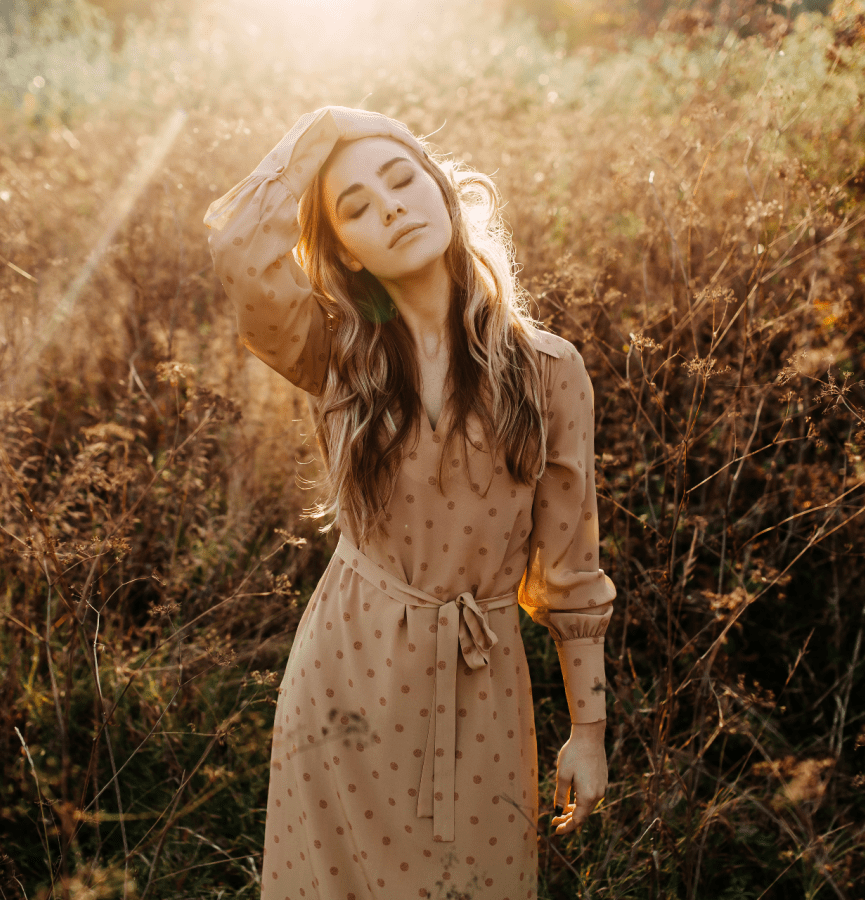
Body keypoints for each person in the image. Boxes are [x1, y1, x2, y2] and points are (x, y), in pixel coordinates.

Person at [204, 106, 616, 900]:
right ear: (345, 252)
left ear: (444, 191)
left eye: (402, 178)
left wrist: (589, 730)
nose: (388, 206)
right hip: (344, 674)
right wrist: (327, 127)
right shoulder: (334, 353)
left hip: (481, 688)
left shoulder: (549, 371)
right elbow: (237, 245)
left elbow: (571, 570)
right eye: (353, 207)